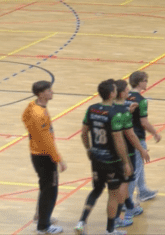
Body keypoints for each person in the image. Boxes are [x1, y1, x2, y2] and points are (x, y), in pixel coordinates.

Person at [74, 79, 132, 235]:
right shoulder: (114, 114)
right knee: (113, 194)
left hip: (96, 159)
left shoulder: (91, 109)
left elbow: (83, 133)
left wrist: (88, 149)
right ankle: (110, 230)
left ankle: (81, 221)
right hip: (112, 161)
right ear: (112, 94)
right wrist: (126, 162)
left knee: (96, 190)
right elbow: (119, 142)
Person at [22, 80, 66, 235]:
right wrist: (58, 159)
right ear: (41, 93)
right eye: (49, 90)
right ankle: (43, 226)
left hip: (37, 153)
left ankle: (40, 216)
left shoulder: (33, 105)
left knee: (45, 187)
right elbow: (47, 141)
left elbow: (24, 118)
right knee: (50, 191)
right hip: (44, 156)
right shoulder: (39, 114)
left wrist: (32, 133)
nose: (52, 92)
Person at [111, 80, 150, 229]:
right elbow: (130, 133)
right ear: (121, 93)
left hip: (109, 152)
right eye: (127, 91)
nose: (129, 93)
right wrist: (141, 150)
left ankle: (123, 212)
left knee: (116, 184)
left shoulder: (107, 108)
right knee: (125, 180)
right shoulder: (123, 112)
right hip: (124, 150)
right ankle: (125, 213)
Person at [125, 71, 161, 201]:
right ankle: (127, 201)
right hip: (137, 138)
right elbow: (144, 122)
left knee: (136, 167)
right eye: (145, 80)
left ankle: (143, 190)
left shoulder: (124, 97)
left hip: (124, 137)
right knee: (136, 169)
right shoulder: (141, 100)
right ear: (139, 82)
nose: (147, 82)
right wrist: (155, 133)